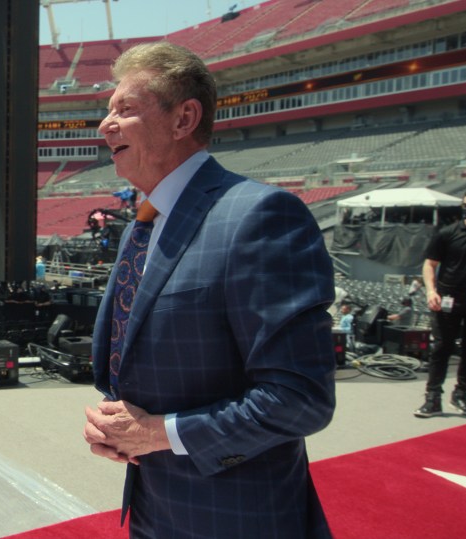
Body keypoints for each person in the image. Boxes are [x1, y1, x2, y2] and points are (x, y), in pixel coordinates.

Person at [83, 42, 335, 538]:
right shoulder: (144, 222)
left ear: (184, 119)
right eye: (107, 111)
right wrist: (118, 428)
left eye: (125, 110)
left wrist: (156, 433)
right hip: (154, 506)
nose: (104, 125)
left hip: (234, 519)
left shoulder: (259, 217)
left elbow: (300, 398)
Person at [414, 190, 466, 417]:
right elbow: (430, 265)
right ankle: (433, 398)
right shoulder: (447, 233)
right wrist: (431, 291)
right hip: (446, 299)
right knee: (441, 348)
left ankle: (460, 395)